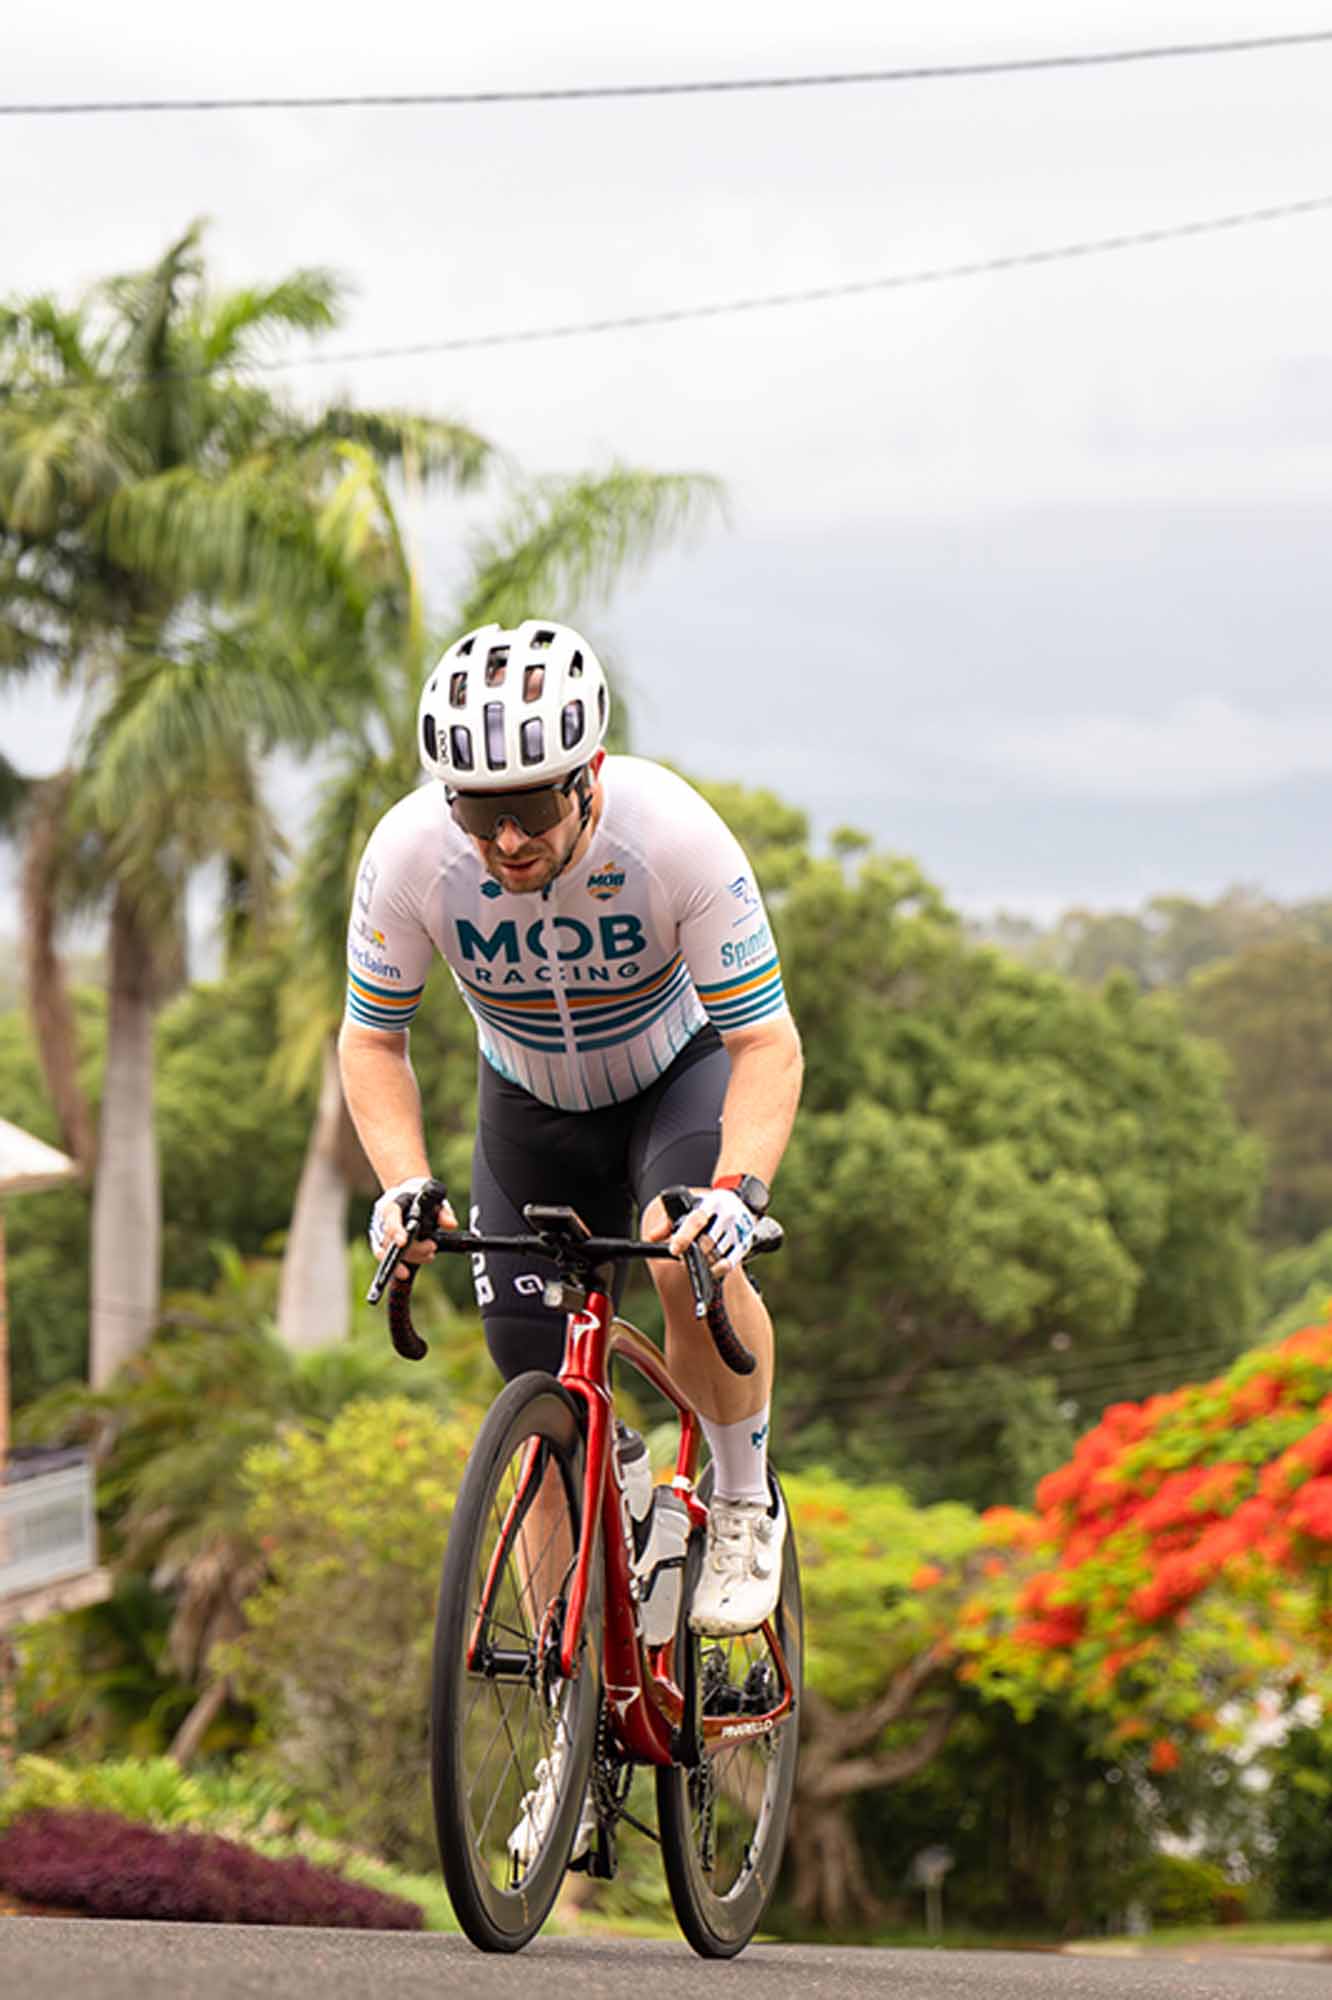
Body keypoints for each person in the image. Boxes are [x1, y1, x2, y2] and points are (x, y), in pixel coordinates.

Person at [339, 617, 802, 1644]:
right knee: (539, 1402)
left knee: (686, 1257)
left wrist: (738, 1193)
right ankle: (567, 1693)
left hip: (673, 1084)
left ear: (589, 777)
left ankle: (740, 1499)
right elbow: (371, 1041)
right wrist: (403, 1183)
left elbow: (766, 1043)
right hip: (529, 1111)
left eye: (535, 806)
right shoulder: (412, 855)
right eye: (480, 810)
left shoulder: (672, 836)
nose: (507, 840)